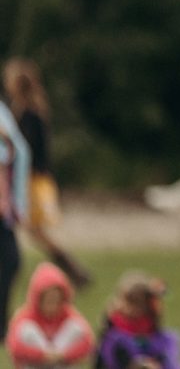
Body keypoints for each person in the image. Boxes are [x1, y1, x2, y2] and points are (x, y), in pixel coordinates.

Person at [2, 59, 92, 289]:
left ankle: (72, 268)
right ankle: (72, 269)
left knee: (32, 229)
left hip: (31, 180)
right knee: (33, 231)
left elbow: (24, 150)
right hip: (35, 179)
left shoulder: (28, 112)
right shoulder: (30, 108)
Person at [6, 262, 94, 368]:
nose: (53, 306)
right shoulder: (26, 316)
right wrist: (43, 355)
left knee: (75, 328)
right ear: (38, 299)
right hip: (36, 364)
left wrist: (63, 356)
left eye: (57, 301)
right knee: (27, 330)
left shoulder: (68, 314)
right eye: (48, 301)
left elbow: (88, 343)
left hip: (61, 363)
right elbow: (14, 346)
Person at [95, 271, 180, 369]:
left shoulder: (156, 335)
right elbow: (103, 361)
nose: (130, 308)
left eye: (138, 303)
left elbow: (164, 360)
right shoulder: (112, 335)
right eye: (128, 302)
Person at [0, 99, 29, 345]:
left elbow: (18, 151)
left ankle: (1, 326)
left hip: (3, 207)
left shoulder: (1, 110)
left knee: (11, 262)